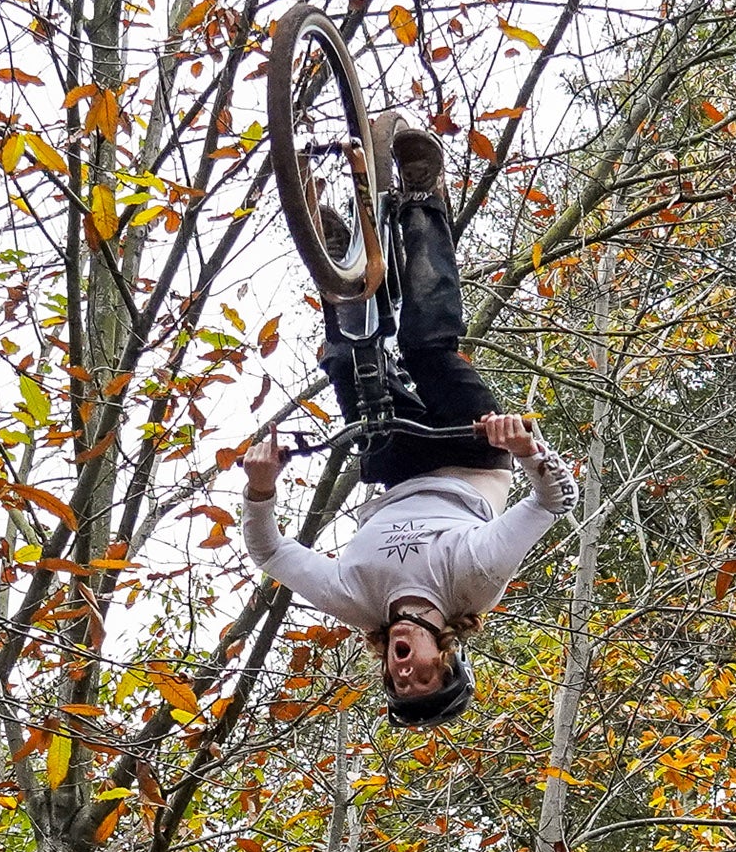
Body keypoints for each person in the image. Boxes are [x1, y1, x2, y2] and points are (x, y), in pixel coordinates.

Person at [242, 118, 579, 729]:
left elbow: (268, 551)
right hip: (469, 452)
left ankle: (343, 262)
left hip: (396, 465)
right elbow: (555, 502)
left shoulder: (355, 600)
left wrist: (261, 489)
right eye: (426, 676)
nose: (406, 672)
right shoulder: (474, 582)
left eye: (401, 683)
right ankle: (423, 196)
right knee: (428, 347)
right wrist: (527, 450)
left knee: (348, 358)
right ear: (447, 653)